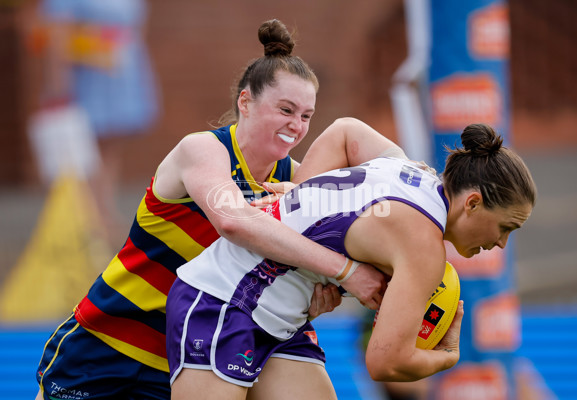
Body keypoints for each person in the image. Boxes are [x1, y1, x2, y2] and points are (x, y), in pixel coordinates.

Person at [34, 20, 389, 400]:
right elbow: (233, 221)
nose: (297, 126)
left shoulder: (296, 179)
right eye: (286, 109)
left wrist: (316, 298)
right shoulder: (202, 150)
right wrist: (346, 271)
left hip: (186, 354)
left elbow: (346, 235)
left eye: (306, 115)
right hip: (107, 341)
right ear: (245, 102)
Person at [165, 118, 537, 400]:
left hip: (281, 323)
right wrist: (448, 355)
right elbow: (387, 363)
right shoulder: (423, 246)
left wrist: (303, 193)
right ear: (472, 203)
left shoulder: (412, 170)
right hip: (223, 303)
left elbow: (345, 130)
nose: (501, 243)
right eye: (506, 227)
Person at [32, 0, 160, 239]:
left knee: (111, 147)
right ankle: (87, 218)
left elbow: (136, 29)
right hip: (84, 77)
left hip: (119, 71)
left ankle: (103, 211)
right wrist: (58, 87)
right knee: (84, 149)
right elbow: (56, 35)